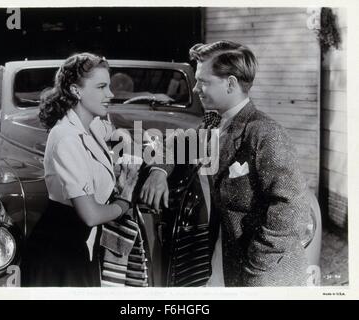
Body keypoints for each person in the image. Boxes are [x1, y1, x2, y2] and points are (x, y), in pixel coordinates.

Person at [140, 41, 313, 286]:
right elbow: (175, 144)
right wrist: (158, 171)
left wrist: (256, 269)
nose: (196, 87)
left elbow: (292, 209)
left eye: (204, 81)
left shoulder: (265, 132)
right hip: (228, 266)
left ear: (230, 83)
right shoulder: (214, 123)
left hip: (266, 276)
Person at [21, 53, 140, 287]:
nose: (111, 94)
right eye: (102, 87)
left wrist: (126, 143)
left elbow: (117, 133)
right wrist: (125, 200)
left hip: (80, 246)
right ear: (76, 91)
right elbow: (91, 215)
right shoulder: (66, 137)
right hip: (58, 255)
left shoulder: (91, 124)